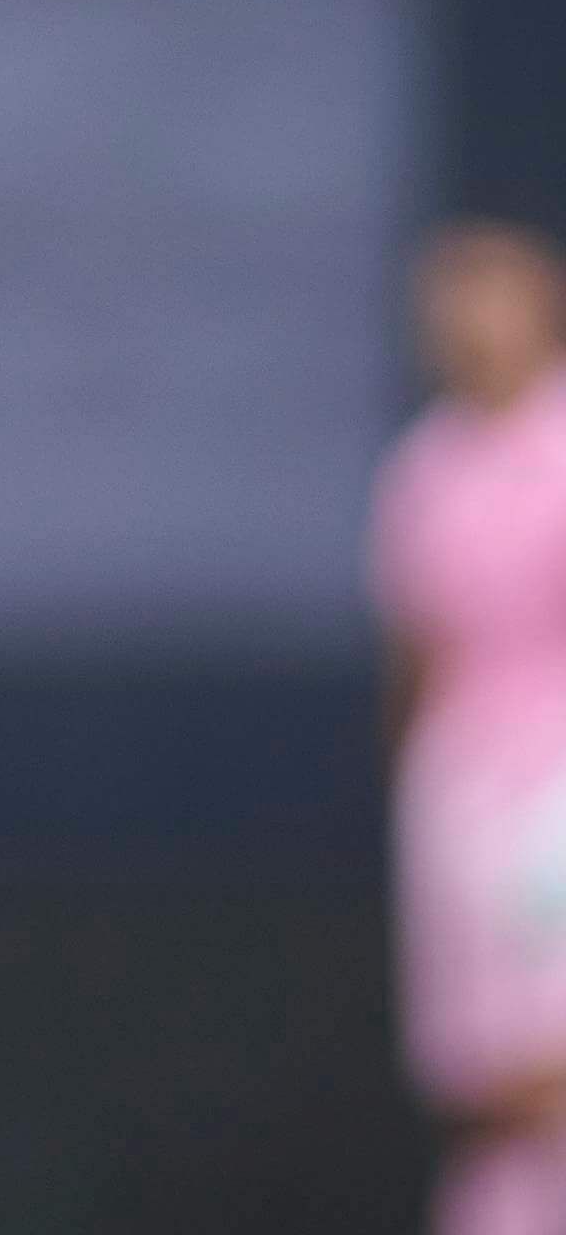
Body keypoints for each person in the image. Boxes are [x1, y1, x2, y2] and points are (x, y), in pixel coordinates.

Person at [375, 221, 566, 1235]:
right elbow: (415, 651)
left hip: (554, 786)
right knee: (482, 1066)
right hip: (463, 795)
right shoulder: (425, 466)